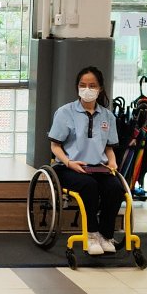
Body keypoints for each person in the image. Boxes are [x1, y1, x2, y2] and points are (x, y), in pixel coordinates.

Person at [48, 66, 123, 256]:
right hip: (67, 167)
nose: (87, 89)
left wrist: (112, 162)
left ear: (100, 88)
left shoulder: (107, 116)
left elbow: (109, 147)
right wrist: (69, 163)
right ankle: (91, 234)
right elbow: (55, 146)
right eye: (83, 85)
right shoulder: (65, 112)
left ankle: (106, 235)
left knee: (115, 188)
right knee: (89, 186)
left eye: (92, 85)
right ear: (77, 87)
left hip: (97, 167)